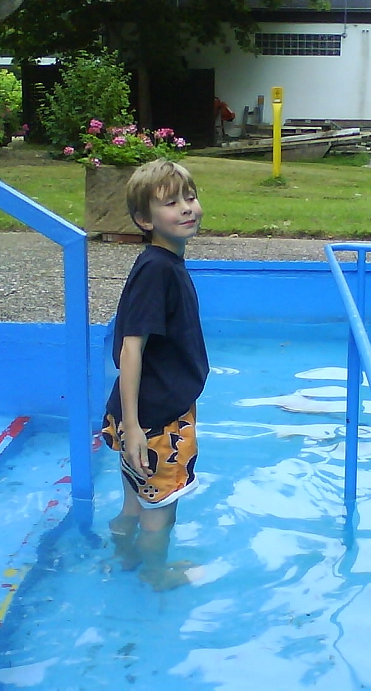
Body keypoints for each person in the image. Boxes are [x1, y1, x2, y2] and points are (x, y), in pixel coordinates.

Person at [100, 159, 209, 590]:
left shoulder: (160, 263)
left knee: (133, 503)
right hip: (156, 420)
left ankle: (123, 558)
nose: (186, 208)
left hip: (141, 414)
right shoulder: (158, 270)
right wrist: (135, 427)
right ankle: (155, 574)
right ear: (144, 219)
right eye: (170, 203)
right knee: (161, 511)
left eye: (190, 197)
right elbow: (131, 347)